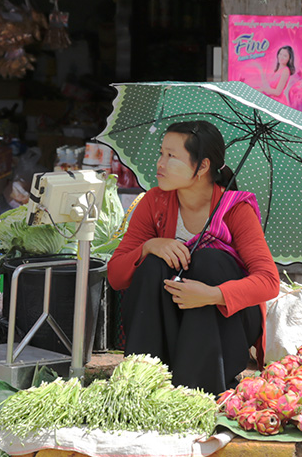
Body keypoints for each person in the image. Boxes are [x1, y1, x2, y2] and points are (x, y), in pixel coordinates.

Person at [108, 120, 279, 394]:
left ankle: (200, 383)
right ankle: (141, 378)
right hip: (170, 324)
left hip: (224, 331)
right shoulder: (153, 203)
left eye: (171, 156)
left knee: (210, 260)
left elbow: (269, 281)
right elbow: (116, 276)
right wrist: (149, 246)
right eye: (161, 153)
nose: (160, 164)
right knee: (152, 264)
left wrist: (212, 294)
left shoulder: (235, 209)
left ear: (202, 167)